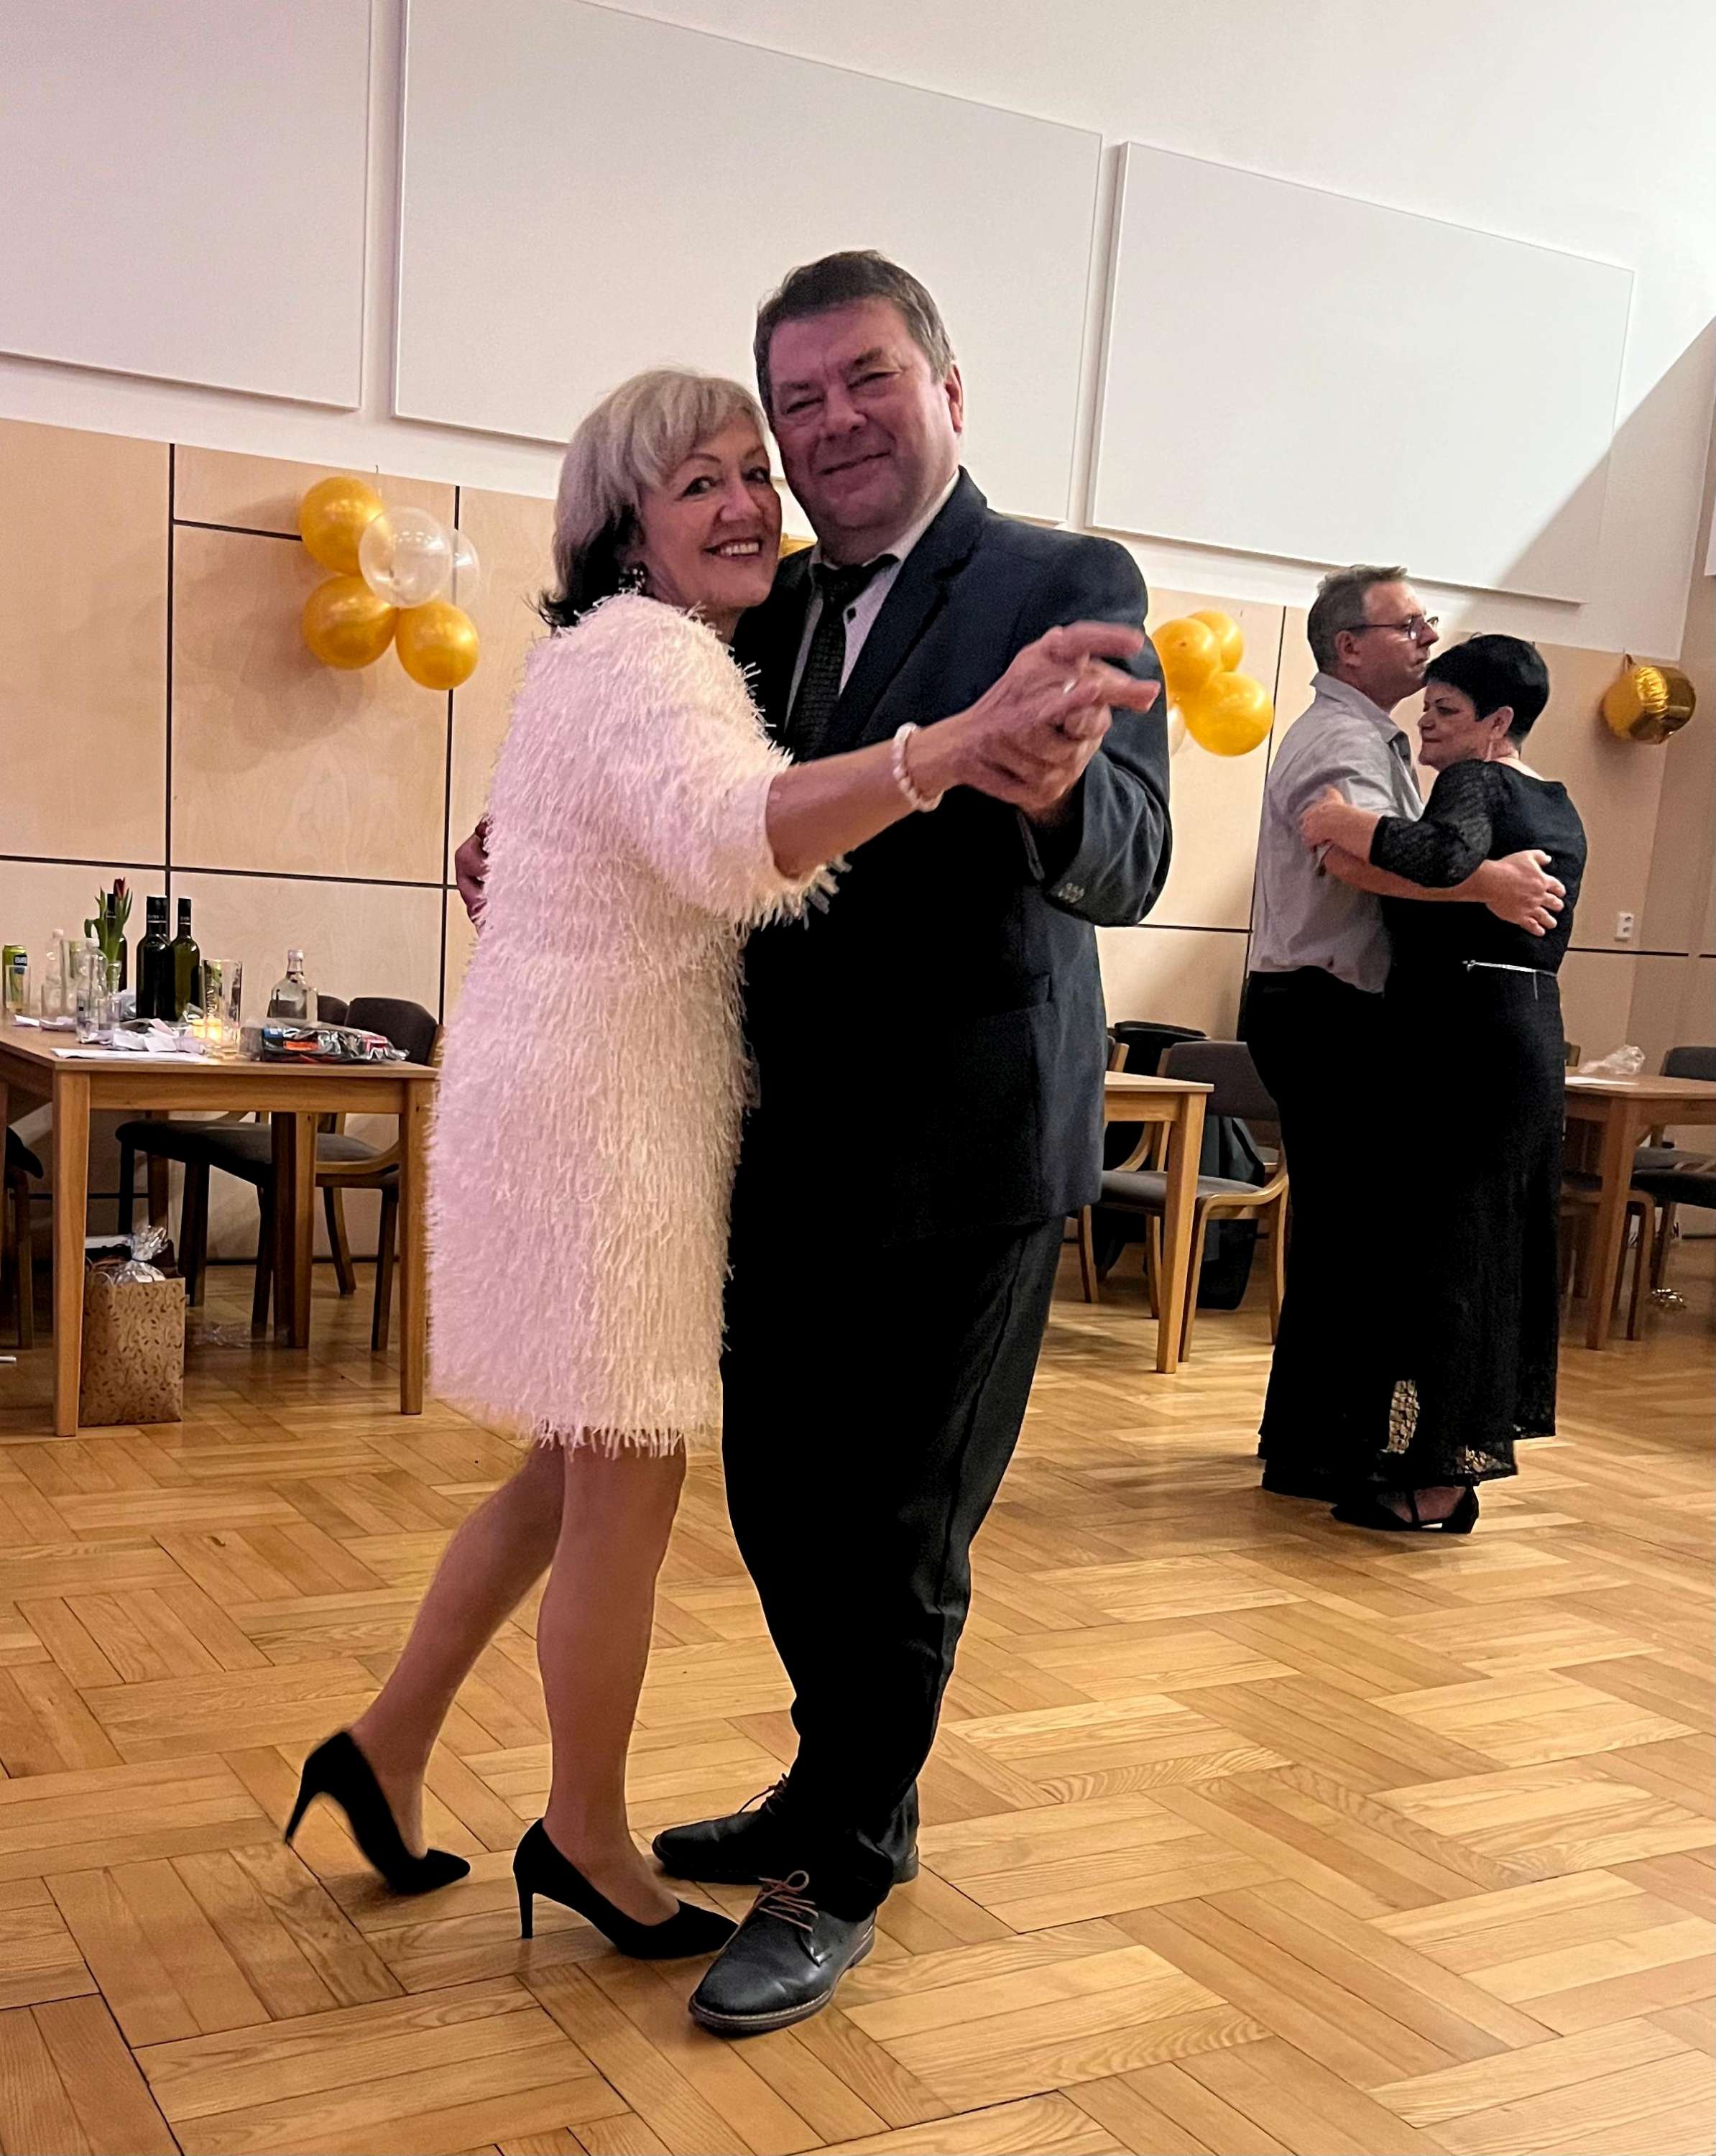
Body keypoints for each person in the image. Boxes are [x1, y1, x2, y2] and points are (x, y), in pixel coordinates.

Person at [290, 366, 1153, 1960]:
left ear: (948, 387)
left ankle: (386, 1747)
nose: (755, 501)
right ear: (628, 526)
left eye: (752, 472)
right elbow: (730, 832)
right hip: (611, 1123)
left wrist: (531, 848)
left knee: (573, 1474)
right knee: (629, 1479)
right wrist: (949, 747)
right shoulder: (658, 649)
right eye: (704, 482)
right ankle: (583, 1833)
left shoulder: (666, 639)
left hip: (638, 1102)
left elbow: (628, 829)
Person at [1242, 566, 1565, 1503]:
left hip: (1326, 1004)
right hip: (1325, 1006)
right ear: (1350, 647)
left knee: (1346, 1235)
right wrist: (1488, 885)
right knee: (1354, 1237)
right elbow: (1349, 856)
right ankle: (1323, 1448)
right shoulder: (1344, 736)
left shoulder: (1369, 733)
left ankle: (1312, 1440)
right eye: (1410, 625)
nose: (1428, 638)